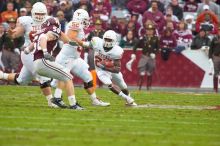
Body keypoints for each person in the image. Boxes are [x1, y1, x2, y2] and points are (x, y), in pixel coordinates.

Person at [52, 9, 110, 107]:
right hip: (66, 57)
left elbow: (75, 39)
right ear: (79, 18)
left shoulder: (79, 26)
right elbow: (70, 37)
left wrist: (86, 44)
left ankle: (94, 100)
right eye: (85, 19)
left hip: (75, 58)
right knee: (62, 78)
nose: (87, 21)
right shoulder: (75, 23)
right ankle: (57, 98)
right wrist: (85, 44)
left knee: (88, 77)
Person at [0, 2, 54, 107]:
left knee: (21, 80)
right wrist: (12, 33)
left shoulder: (50, 21)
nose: (40, 16)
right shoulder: (27, 21)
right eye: (38, 13)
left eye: (42, 14)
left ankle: (1, 75)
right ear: (33, 12)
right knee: (43, 76)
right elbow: (16, 33)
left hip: (40, 53)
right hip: (29, 53)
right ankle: (51, 101)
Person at [32, 17, 83, 110]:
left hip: (37, 62)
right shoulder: (53, 29)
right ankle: (73, 104)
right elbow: (44, 38)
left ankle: (57, 99)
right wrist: (45, 52)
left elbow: (68, 41)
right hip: (43, 61)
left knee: (63, 76)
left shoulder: (40, 31)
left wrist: (83, 44)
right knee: (68, 76)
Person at [78, 30, 137, 106]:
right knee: (109, 84)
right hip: (100, 71)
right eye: (106, 39)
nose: (107, 41)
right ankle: (127, 98)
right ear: (103, 38)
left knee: (123, 85)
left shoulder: (117, 51)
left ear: (114, 41)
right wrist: (73, 41)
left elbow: (117, 69)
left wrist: (105, 66)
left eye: (109, 40)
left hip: (110, 69)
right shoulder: (97, 43)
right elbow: (85, 44)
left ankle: (128, 100)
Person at [132, 24, 159, 90]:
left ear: (153, 31)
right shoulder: (143, 38)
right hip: (144, 56)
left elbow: (158, 48)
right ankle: (139, 87)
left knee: (150, 73)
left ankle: (148, 87)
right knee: (142, 72)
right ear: (146, 31)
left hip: (151, 57)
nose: (149, 31)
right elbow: (135, 46)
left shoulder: (155, 38)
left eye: (151, 30)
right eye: (148, 30)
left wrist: (155, 53)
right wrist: (134, 53)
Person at [209, 24, 220, 93]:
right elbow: (211, 49)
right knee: (215, 73)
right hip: (216, 57)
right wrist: (210, 57)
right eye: (219, 30)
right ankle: (215, 89)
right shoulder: (214, 38)